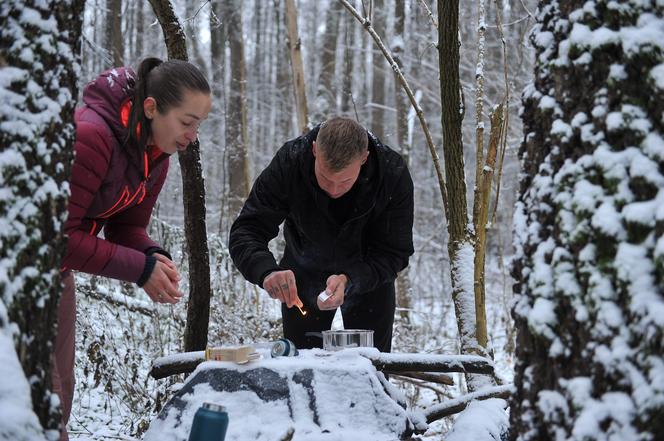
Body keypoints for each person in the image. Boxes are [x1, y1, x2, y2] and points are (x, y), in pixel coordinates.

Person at [56, 58, 211, 439]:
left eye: (198, 125)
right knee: (38, 398)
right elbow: (56, 240)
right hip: (16, 266)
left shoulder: (156, 151)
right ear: (152, 107)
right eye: (186, 122)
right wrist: (138, 269)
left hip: (55, 276)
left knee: (60, 394)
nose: (192, 135)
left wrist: (152, 256)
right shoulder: (91, 137)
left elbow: (127, 226)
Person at [229, 116, 414, 353]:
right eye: (325, 178)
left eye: (345, 181)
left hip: (369, 282)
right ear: (315, 149)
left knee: (371, 373)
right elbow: (247, 230)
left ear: (364, 158)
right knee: (302, 374)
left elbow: (394, 252)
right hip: (302, 283)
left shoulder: (391, 173)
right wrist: (266, 271)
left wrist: (350, 280)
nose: (334, 190)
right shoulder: (290, 162)